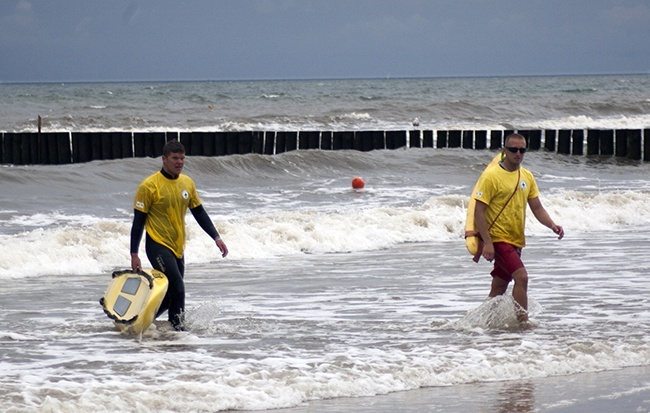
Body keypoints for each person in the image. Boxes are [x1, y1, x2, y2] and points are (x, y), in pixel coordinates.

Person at [130, 140, 228, 331]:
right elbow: (138, 222)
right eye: (175, 158)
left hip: (178, 246)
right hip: (157, 245)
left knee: (170, 296)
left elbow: (199, 212)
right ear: (164, 159)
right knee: (178, 287)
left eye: (182, 158)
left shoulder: (187, 183)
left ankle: (138, 322)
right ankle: (179, 331)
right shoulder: (149, 186)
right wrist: (134, 254)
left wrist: (216, 237)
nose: (179, 162)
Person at [473, 133, 564, 323]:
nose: (518, 154)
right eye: (513, 149)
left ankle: (482, 325)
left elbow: (537, 207)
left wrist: (552, 225)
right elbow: (478, 211)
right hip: (498, 239)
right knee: (521, 277)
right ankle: (523, 323)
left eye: (522, 150)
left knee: (499, 287)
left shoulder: (527, 176)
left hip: (516, 240)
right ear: (504, 151)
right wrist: (488, 243)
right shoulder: (491, 176)